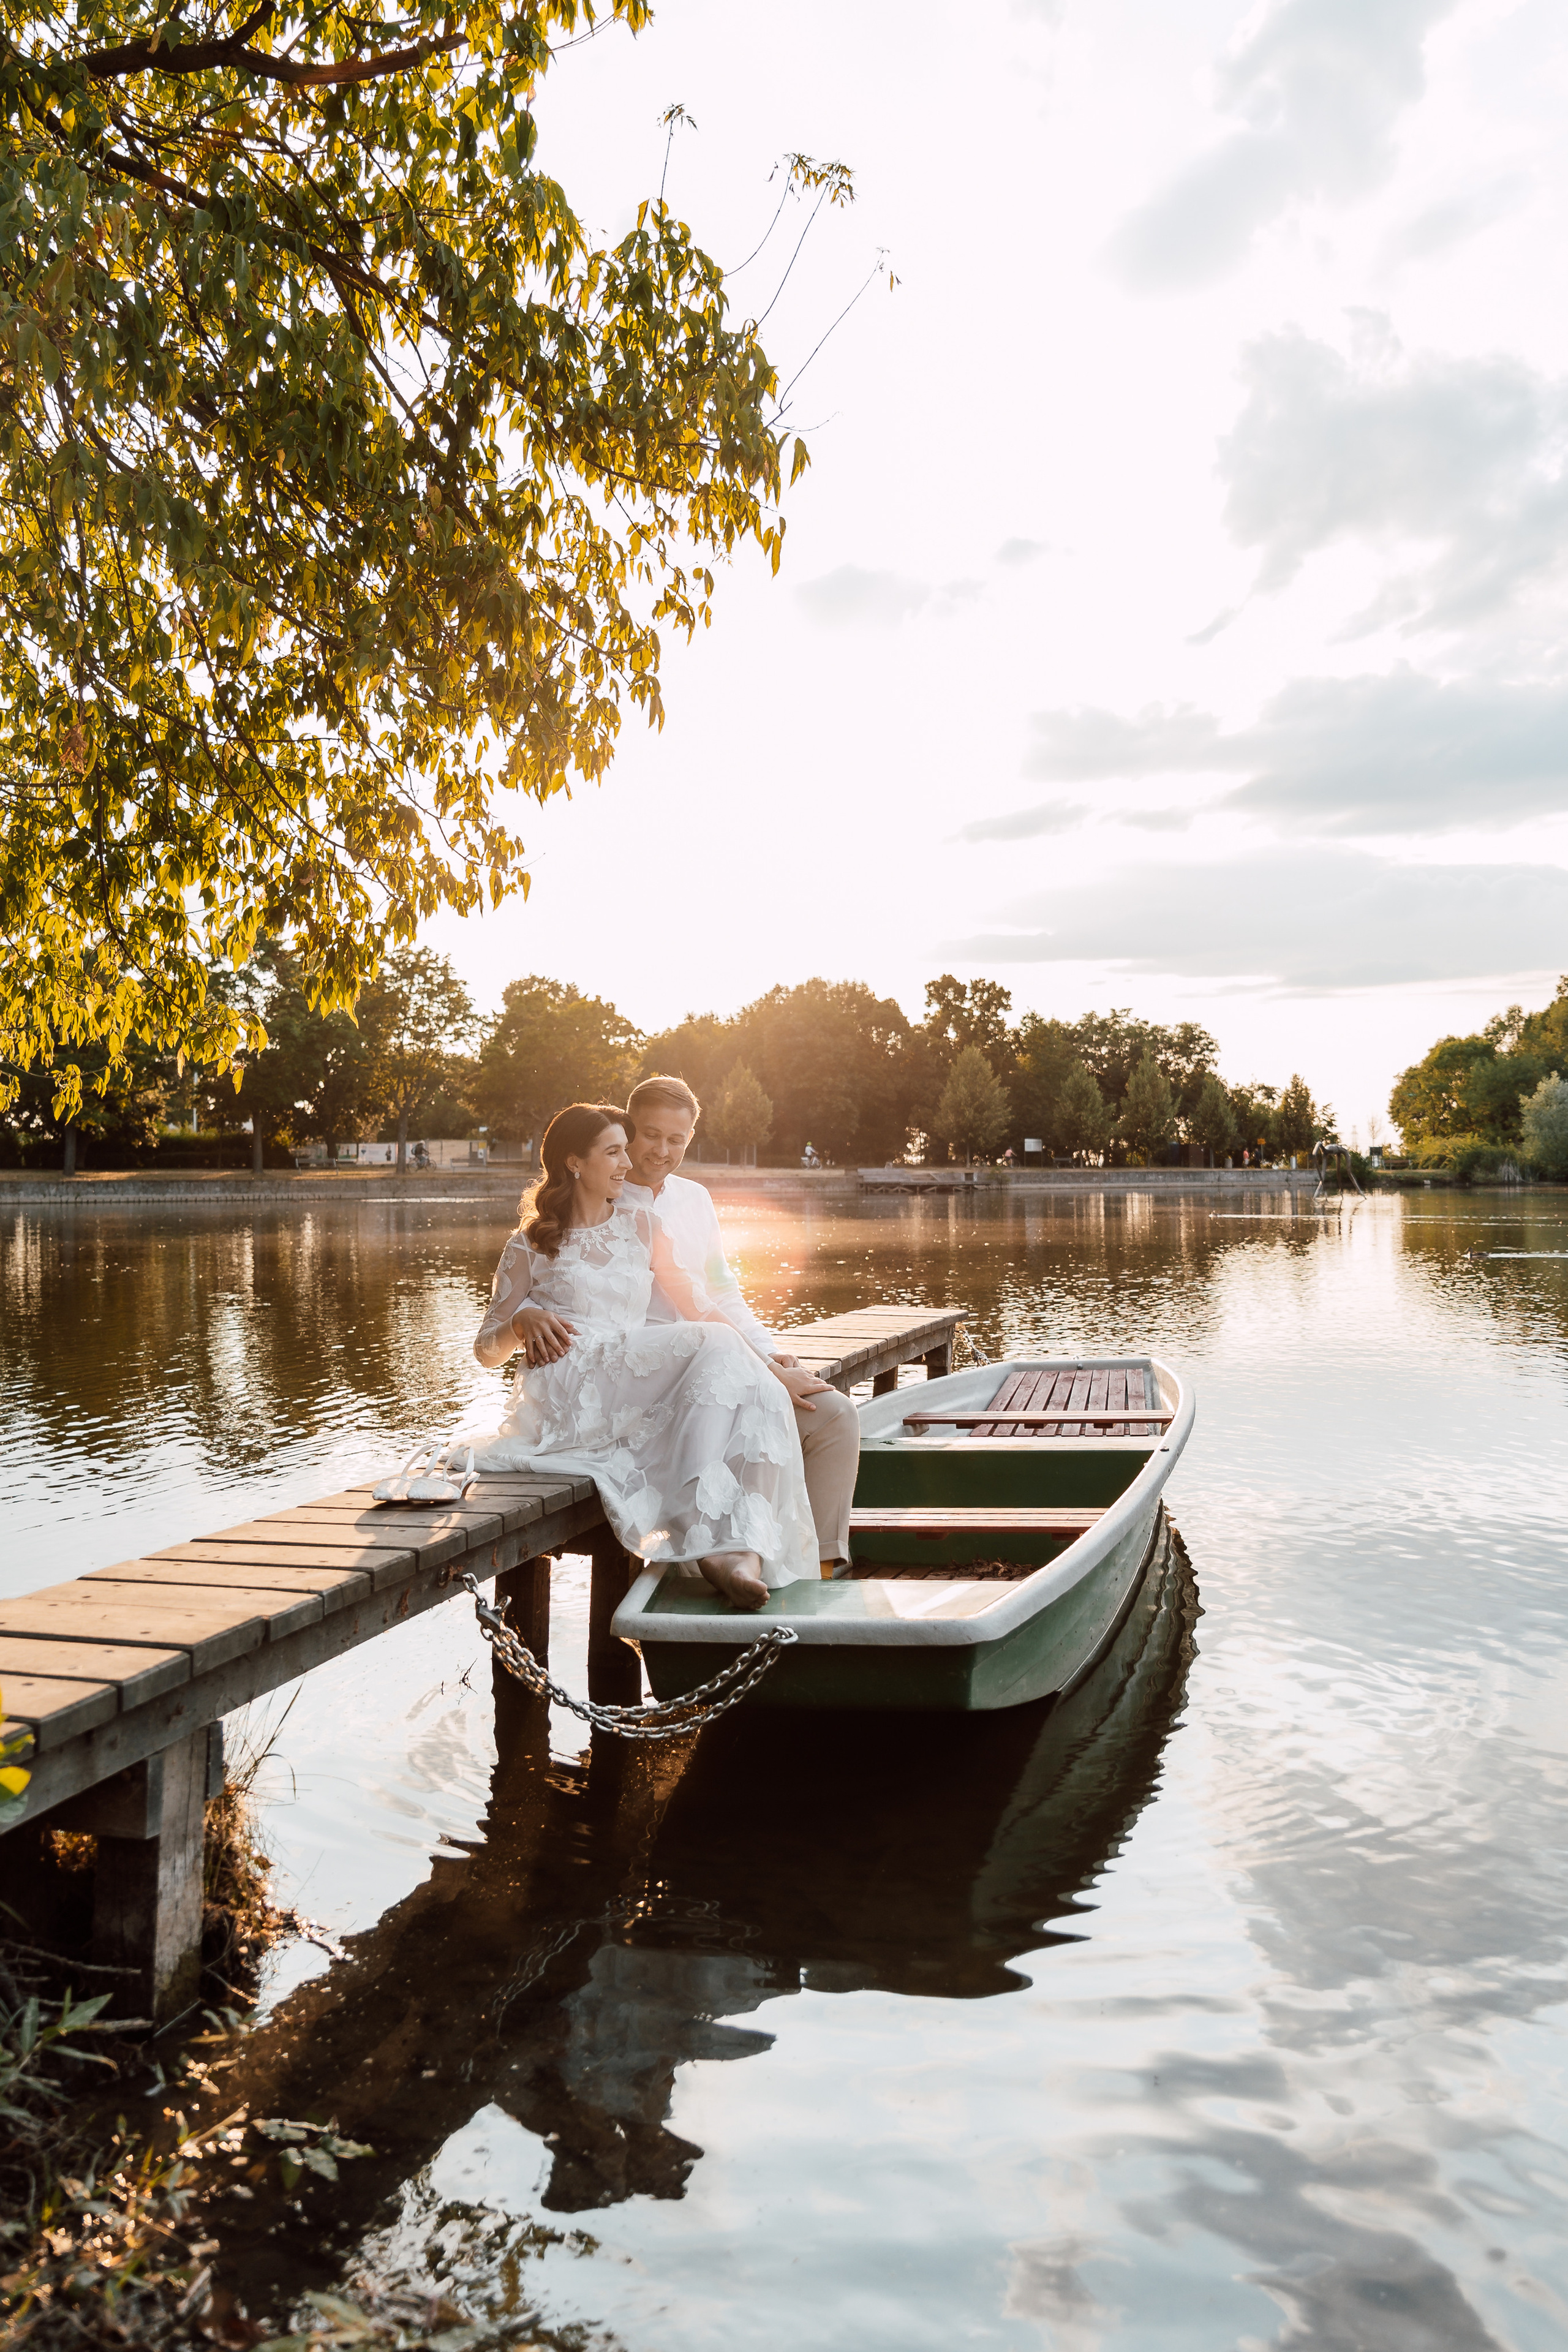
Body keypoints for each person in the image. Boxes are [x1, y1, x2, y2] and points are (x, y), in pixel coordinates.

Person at [468, 1102, 818, 1610]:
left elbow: (701, 1304)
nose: (626, 1164)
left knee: (747, 1379)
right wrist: (520, 1323)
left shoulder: (643, 1227)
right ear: (575, 1163)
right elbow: (484, 1351)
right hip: (567, 1385)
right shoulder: (529, 1245)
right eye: (613, 1152)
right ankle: (711, 1545)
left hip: (628, 1374)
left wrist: (769, 1367)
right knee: (717, 1346)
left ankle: (738, 1546)